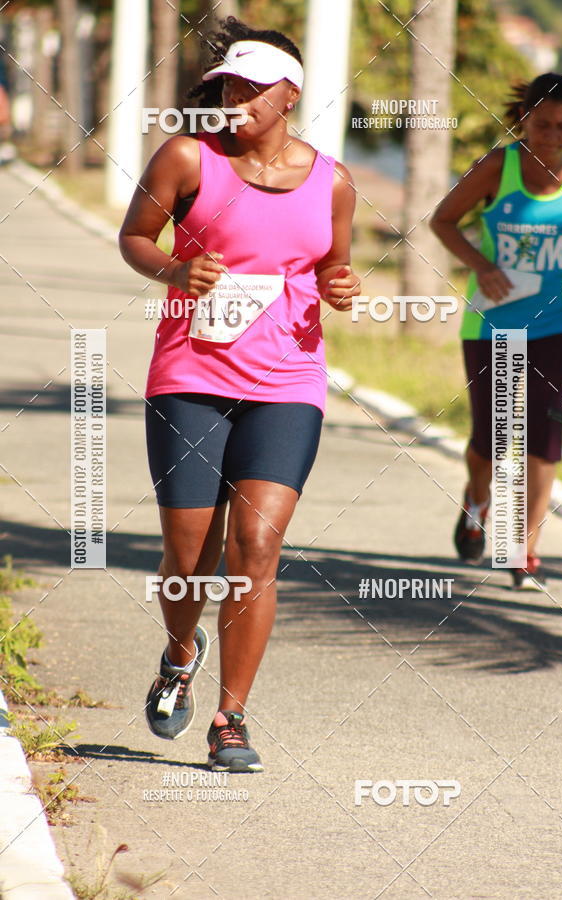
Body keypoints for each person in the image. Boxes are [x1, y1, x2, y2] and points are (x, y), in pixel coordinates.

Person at [119, 17, 360, 771]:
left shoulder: (334, 181)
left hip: (287, 380)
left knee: (256, 547)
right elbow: (136, 236)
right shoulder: (188, 157)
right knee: (188, 558)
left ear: (289, 95)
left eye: (252, 89)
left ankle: (231, 719)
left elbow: (330, 268)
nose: (236, 100)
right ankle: (178, 650)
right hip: (191, 375)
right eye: (226, 87)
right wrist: (173, 271)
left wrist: (342, 286)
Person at [431, 73, 562, 590]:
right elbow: (443, 221)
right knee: (493, 435)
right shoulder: (497, 167)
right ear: (525, 120)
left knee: (542, 431)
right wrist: (481, 265)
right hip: (494, 320)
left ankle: (523, 546)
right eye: (542, 124)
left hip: (560, 320)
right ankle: (478, 500)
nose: (552, 136)